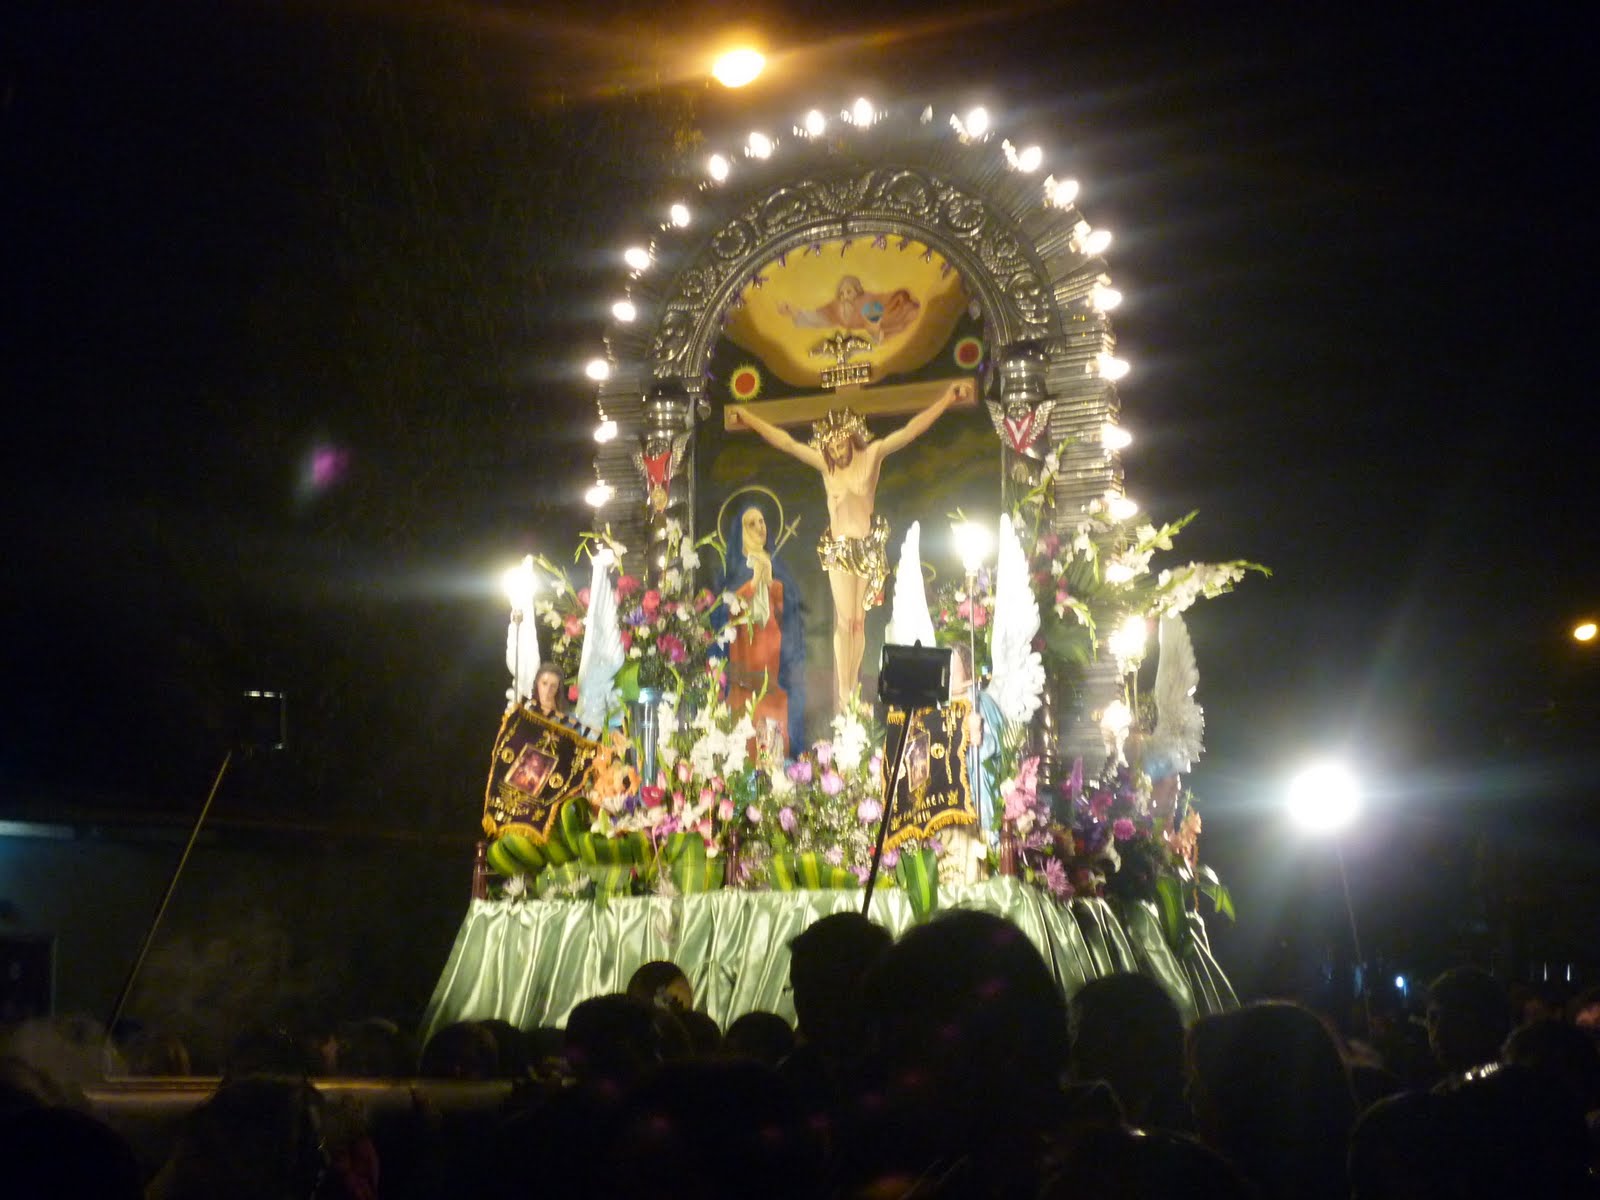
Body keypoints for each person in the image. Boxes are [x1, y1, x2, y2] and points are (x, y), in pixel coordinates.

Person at [732, 381, 969, 709]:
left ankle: (853, 684)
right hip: (840, 550)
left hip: (868, 550)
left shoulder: (872, 456)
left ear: (852, 439)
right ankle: (844, 692)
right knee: (844, 621)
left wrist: (944, 400)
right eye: (831, 449)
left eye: (841, 446)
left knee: (859, 623)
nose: (837, 453)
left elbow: (910, 430)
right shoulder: (827, 468)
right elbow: (786, 442)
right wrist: (751, 418)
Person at [717, 505, 806, 755]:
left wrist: (771, 583)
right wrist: (754, 581)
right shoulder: (731, 571)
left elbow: (787, 615)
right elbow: (727, 613)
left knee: (773, 727)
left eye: (762, 521)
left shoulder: (777, 568)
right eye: (752, 524)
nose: (760, 528)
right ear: (740, 533)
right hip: (744, 665)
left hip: (773, 663)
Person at [777, 274, 920, 345]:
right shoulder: (836, 306)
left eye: (848, 292)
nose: (845, 296)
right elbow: (819, 317)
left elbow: (874, 327)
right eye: (842, 293)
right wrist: (793, 311)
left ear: (857, 291)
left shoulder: (868, 302)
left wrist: (876, 332)